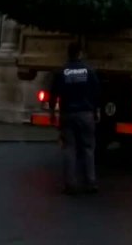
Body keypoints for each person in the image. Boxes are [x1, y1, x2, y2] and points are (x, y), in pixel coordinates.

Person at [50, 41, 101, 195]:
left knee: (69, 149)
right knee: (88, 148)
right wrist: (97, 111)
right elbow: (97, 92)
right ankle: (90, 182)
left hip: (67, 114)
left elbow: (54, 95)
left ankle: (70, 184)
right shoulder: (89, 71)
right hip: (86, 114)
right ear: (80, 53)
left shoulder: (61, 72)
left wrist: (53, 113)